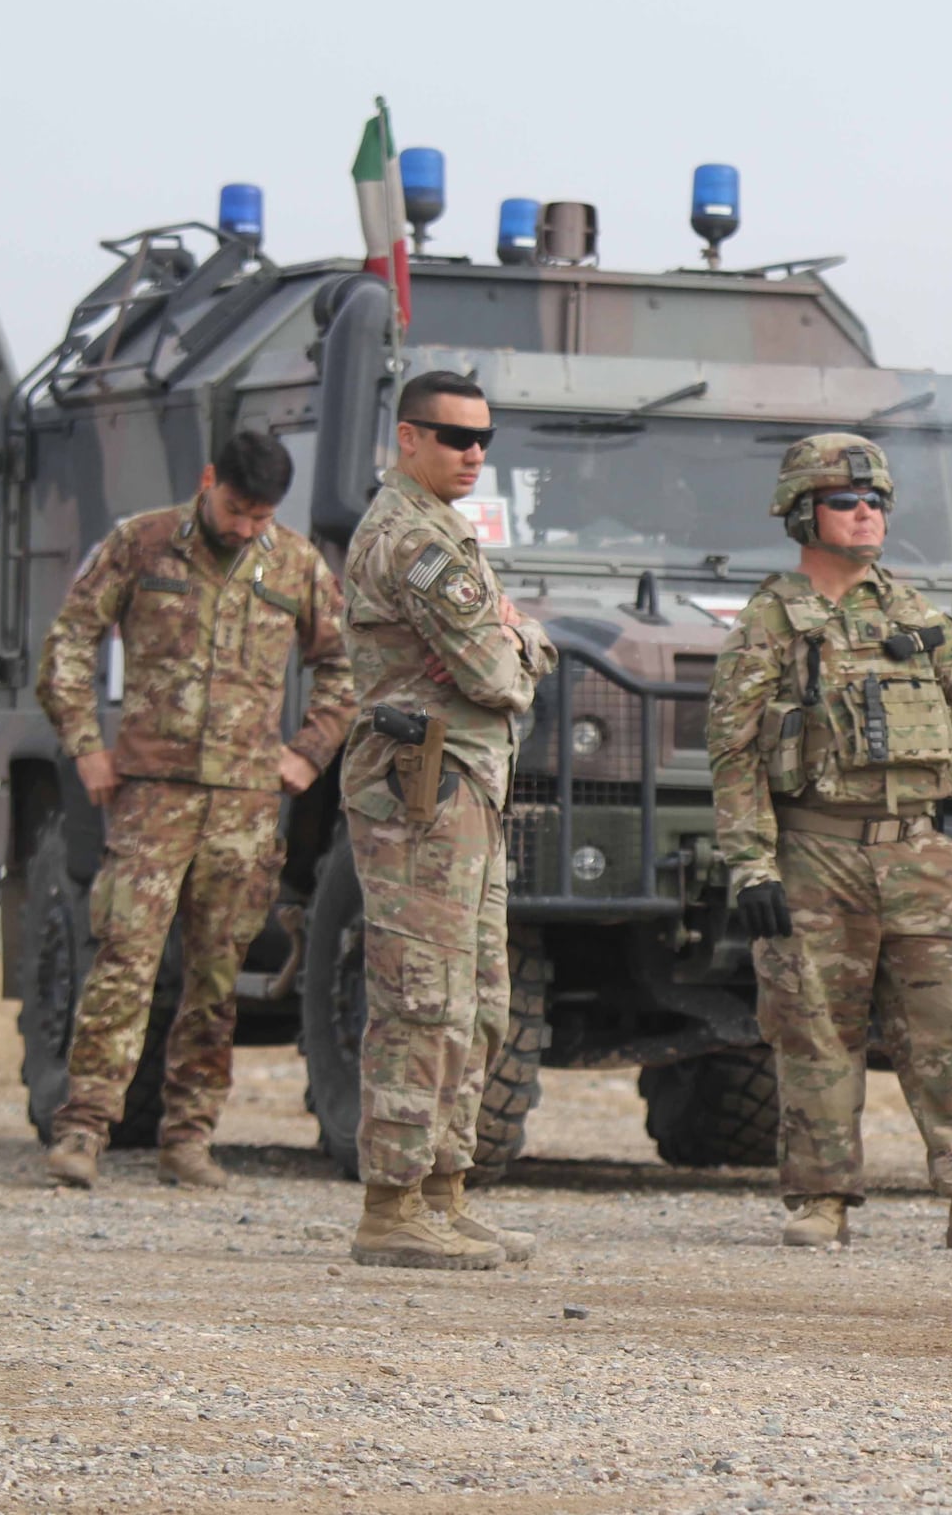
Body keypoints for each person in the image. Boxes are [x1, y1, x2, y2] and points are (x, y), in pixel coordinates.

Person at [706, 434, 952, 1253]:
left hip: (920, 853)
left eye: (876, 504)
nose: (866, 515)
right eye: (845, 502)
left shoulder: (917, 618)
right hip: (815, 852)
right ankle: (821, 1196)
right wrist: (752, 864)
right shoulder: (770, 621)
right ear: (803, 514)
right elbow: (734, 751)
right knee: (814, 1027)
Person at [35, 431, 355, 1190]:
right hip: (152, 796)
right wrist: (86, 743)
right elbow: (70, 640)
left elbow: (345, 667)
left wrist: (307, 751)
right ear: (209, 481)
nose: (246, 527)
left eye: (261, 516)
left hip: (245, 808)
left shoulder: (296, 564)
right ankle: (83, 1130)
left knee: (216, 981)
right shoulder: (141, 544)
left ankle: (188, 1139)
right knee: (125, 963)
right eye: (237, 509)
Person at [338, 371, 556, 1270]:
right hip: (422, 790)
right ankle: (390, 1208)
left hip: (466, 785)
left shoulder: (444, 534)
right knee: (421, 997)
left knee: (481, 998)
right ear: (406, 439)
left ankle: (442, 1189)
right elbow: (495, 675)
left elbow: (499, 655)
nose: (473, 453)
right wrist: (522, 640)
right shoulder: (410, 541)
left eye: (484, 441)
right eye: (453, 436)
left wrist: (512, 637)